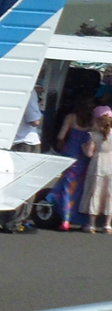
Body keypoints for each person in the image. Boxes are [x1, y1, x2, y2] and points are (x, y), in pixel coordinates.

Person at [0, 85, 43, 233]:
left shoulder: (6, 88)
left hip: (8, 139)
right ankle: (16, 223)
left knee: (6, 181)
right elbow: (34, 120)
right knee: (27, 183)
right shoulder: (29, 91)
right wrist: (39, 109)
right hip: (26, 141)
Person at [47, 95, 95, 231]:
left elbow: (61, 136)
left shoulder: (71, 118)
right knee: (83, 188)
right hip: (85, 156)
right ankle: (83, 220)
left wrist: (60, 147)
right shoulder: (93, 121)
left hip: (71, 154)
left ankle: (65, 219)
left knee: (67, 187)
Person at [80, 106, 112, 233]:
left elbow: (89, 153)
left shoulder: (94, 135)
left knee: (95, 192)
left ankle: (91, 224)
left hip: (97, 165)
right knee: (110, 194)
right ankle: (107, 225)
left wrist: (83, 147)